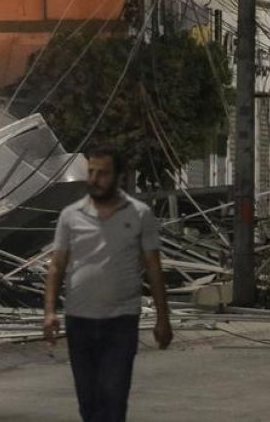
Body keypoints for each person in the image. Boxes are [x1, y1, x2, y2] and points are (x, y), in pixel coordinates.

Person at [42, 146, 172, 422]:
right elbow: (57, 266)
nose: (94, 178)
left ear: (118, 177)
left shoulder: (139, 215)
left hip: (121, 321)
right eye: (91, 172)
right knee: (88, 401)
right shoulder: (70, 216)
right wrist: (50, 312)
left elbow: (154, 268)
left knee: (113, 398)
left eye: (102, 173)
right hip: (80, 321)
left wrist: (163, 318)